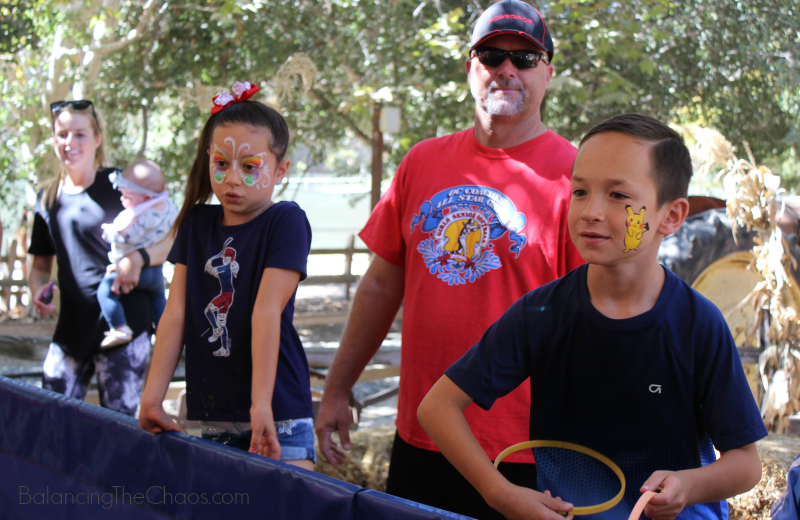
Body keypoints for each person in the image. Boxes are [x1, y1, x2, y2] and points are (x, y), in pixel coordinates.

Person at [418, 114, 767, 520]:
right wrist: (501, 494)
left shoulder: (698, 325)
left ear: (671, 216)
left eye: (618, 195)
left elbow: (746, 464)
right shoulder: (542, 313)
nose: (590, 211)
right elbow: (437, 407)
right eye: (580, 191)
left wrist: (688, 486)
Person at [315, 0, 584, 516]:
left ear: (547, 72)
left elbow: (597, 321)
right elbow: (378, 288)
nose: (506, 68)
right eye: (491, 54)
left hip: (523, 449)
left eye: (525, 58)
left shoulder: (576, 177)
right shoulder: (421, 161)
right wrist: (337, 389)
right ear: (470, 68)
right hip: (421, 435)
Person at [138, 81, 316, 471]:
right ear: (208, 160)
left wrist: (261, 405)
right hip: (212, 415)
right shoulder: (197, 224)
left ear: (280, 169)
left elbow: (266, 312)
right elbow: (177, 312)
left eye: (249, 167)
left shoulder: (285, 222)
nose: (233, 178)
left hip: (278, 412)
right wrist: (152, 397)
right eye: (221, 163)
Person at [28, 99, 173, 416]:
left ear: (96, 139)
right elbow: (40, 266)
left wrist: (138, 259)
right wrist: (37, 288)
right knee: (50, 419)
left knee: (121, 428)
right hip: (71, 328)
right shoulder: (46, 198)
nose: (70, 142)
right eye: (62, 134)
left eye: (80, 134)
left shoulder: (123, 185)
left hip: (126, 326)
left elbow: (172, 235)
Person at [97, 159, 178, 348]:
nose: (122, 199)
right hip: (155, 270)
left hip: (134, 270)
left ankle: (119, 327)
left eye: (127, 195)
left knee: (106, 292)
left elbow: (126, 237)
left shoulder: (139, 216)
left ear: (147, 198)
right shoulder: (168, 208)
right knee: (158, 298)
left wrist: (110, 232)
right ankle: (163, 331)